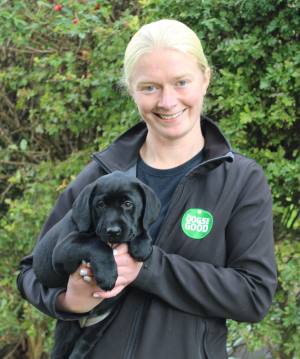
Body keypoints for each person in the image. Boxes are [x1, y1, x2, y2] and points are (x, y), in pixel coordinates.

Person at [17, 19, 277, 358]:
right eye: (150, 87)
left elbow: (254, 296)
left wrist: (149, 267)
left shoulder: (239, 179)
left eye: (181, 82)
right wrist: (68, 301)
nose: (168, 101)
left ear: (205, 78)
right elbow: (30, 273)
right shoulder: (102, 175)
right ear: (131, 89)